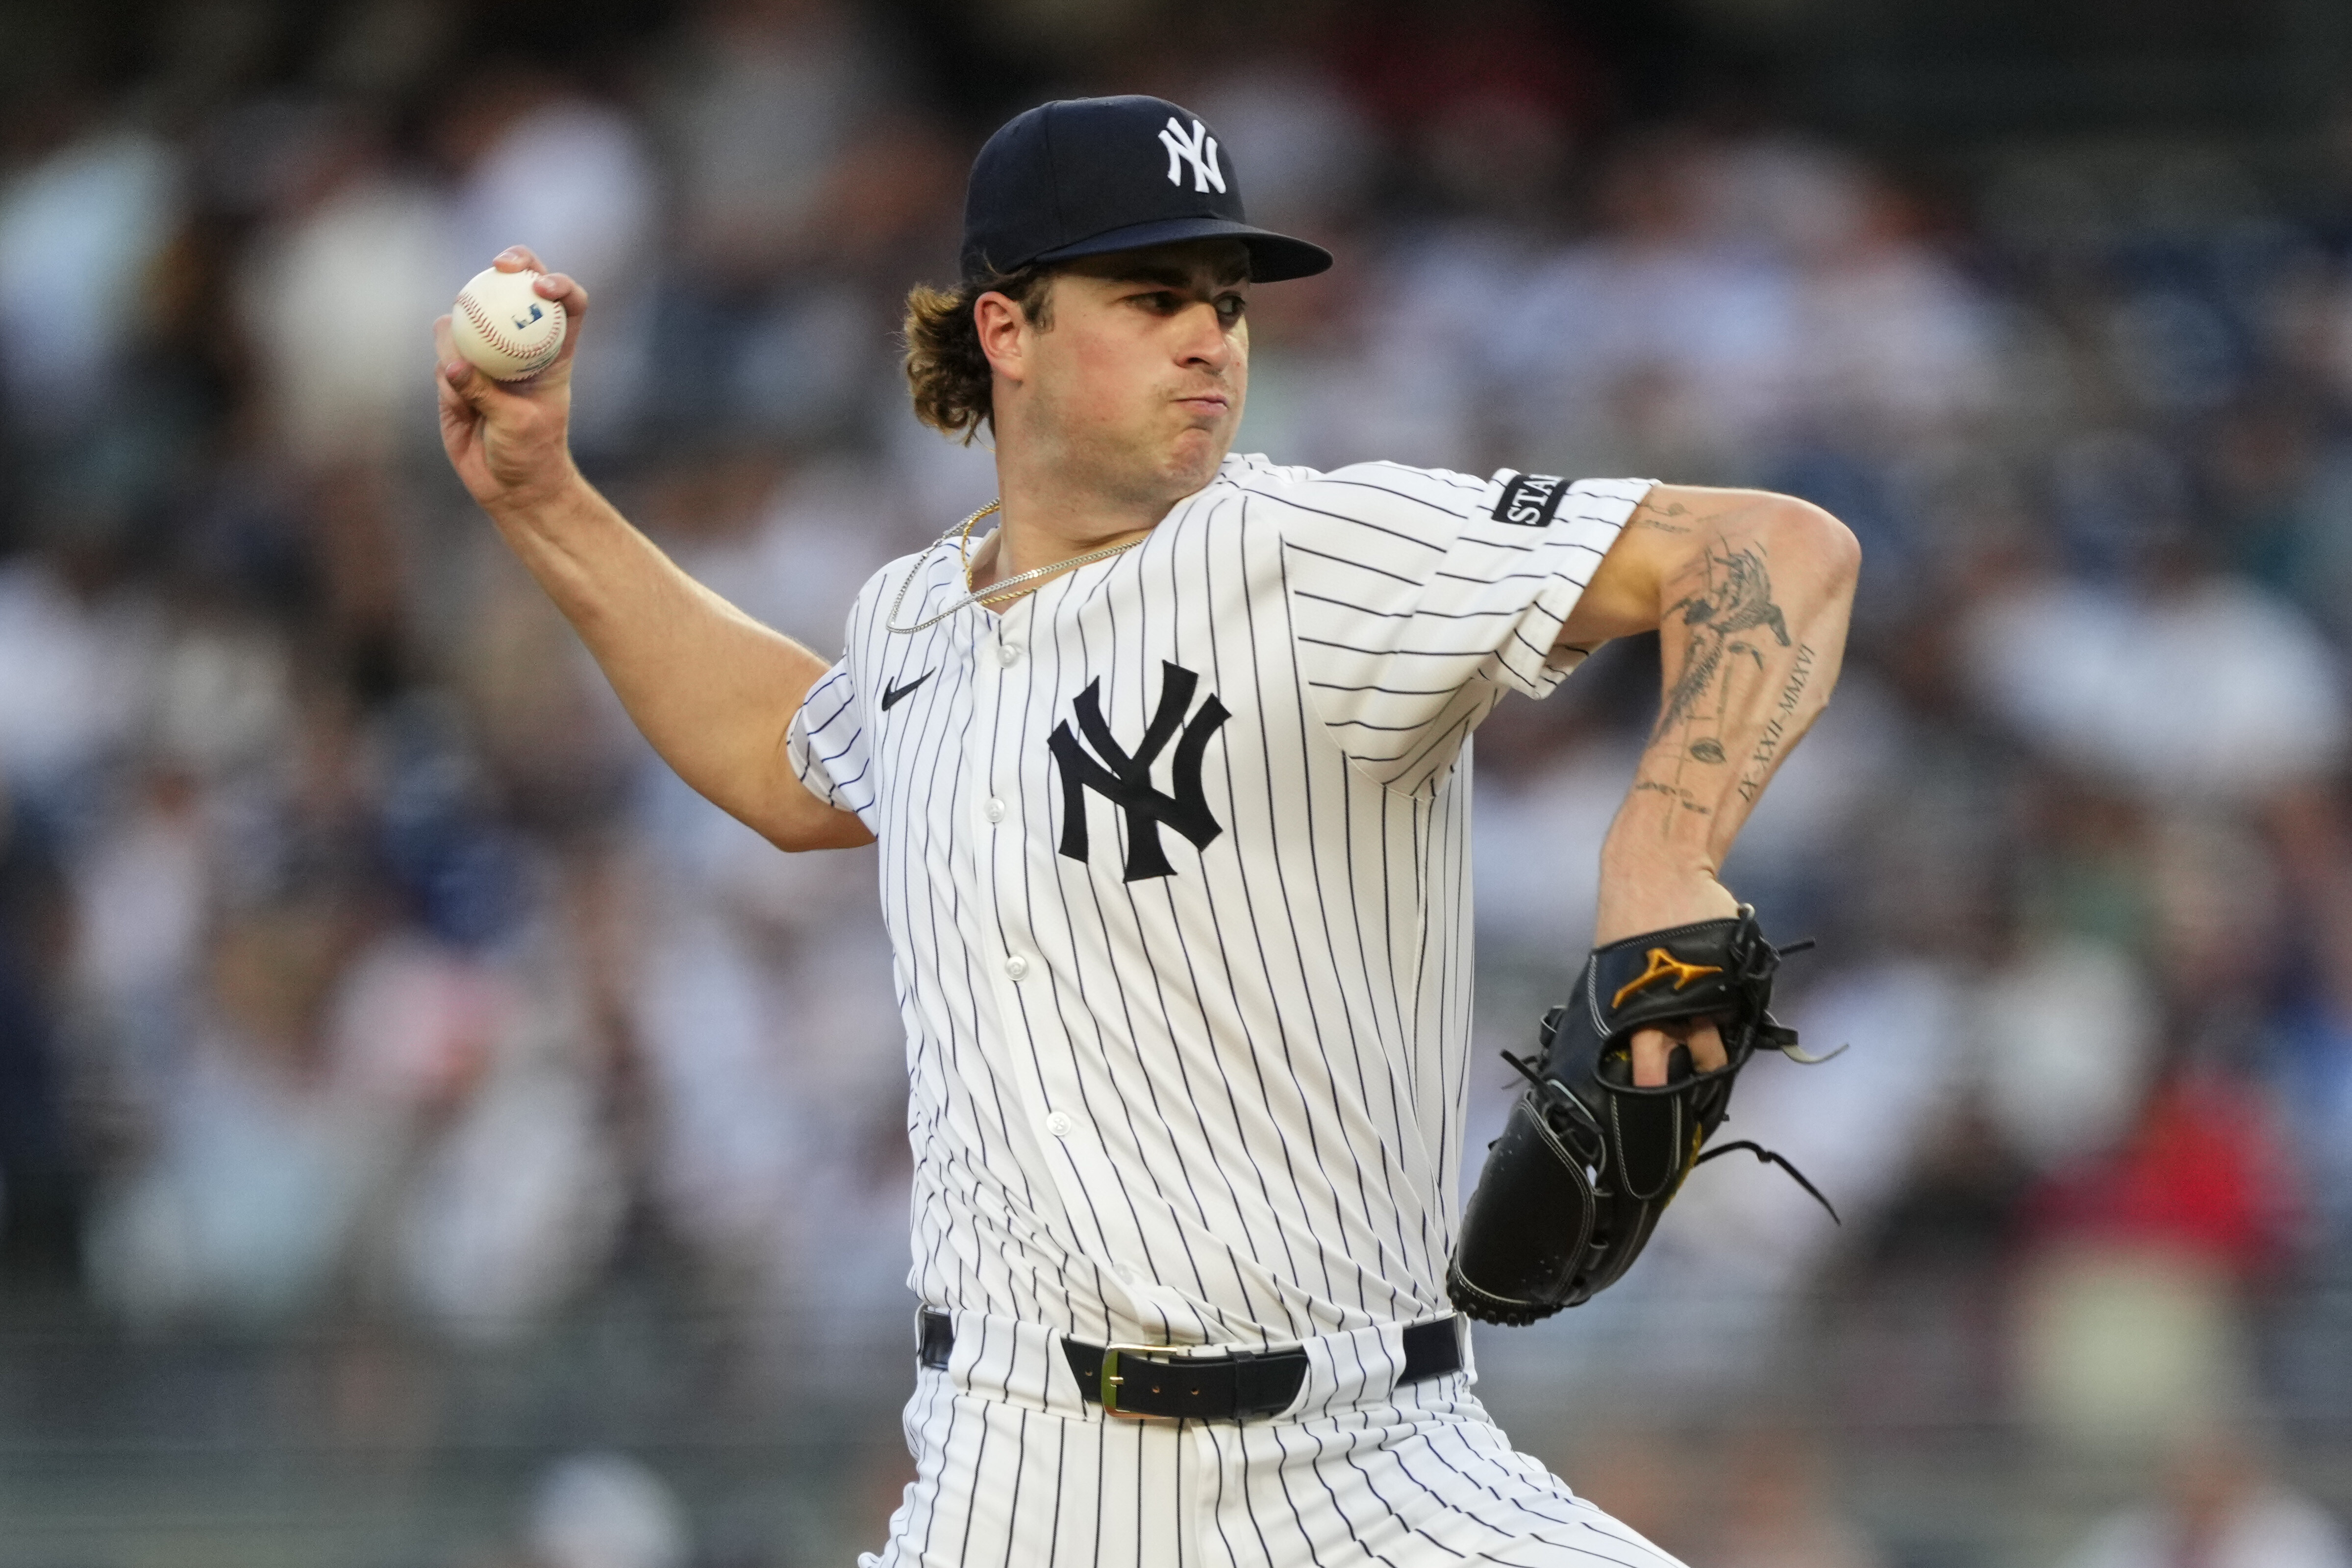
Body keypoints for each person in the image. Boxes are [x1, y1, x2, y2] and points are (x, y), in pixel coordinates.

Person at [435, 95, 1858, 1568]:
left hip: (1370, 1468)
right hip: (1011, 1479)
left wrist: (1660, 858)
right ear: (1007, 328)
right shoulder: (915, 620)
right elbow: (786, 765)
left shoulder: (1313, 553)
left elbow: (1777, 551)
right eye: (1151, 296)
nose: (1211, 339)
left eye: (1227, 304)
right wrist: (544, 499)